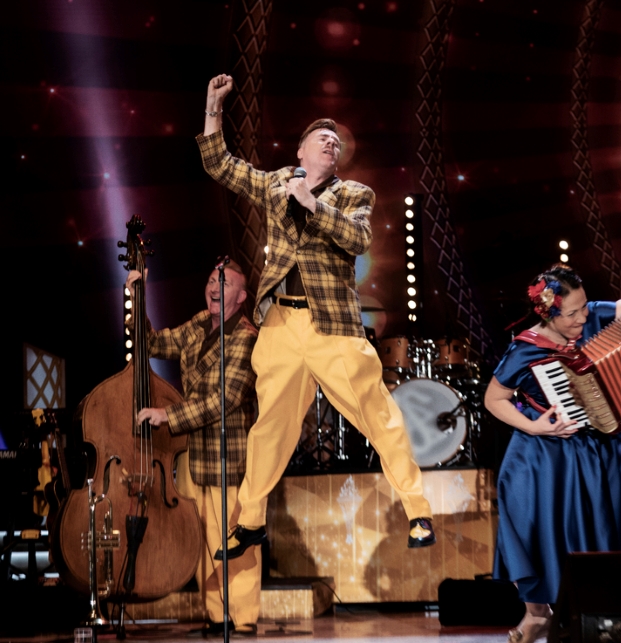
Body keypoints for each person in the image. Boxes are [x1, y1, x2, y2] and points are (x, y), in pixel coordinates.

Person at [195, 74, 435, 560]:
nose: (331, 143)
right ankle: (251, 521)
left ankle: (417, 511)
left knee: (378, 415)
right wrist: (213, 109)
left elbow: (358, 239)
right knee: (270, 428)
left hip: (333, 327)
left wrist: (311, 204)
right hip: (280, 326)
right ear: (300, 151)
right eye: (321, 138)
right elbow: (221, 165)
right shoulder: (276, 183)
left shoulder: (354, 194)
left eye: (335, 141)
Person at [484, 265, 621, 643]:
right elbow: (494, 398)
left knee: (603, 529)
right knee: (531, 522)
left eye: (584, 306)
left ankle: (604, 616)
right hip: (544, 450)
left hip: (598, 449)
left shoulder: (594, 316)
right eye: (572, 312)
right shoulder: (525, 348)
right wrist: (535, 426)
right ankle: (537, 612)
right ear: (549, 313)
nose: (583, 317)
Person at [127, 262, 261, 637]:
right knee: (202, 539)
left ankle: (244, 616)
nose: (215, 286)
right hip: (192, 456)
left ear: (241, 296)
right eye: (212, 279)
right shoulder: (199, 323)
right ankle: (217, 615)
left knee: (234, 538)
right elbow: (152, 343)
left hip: (227, 454)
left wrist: (167, 415)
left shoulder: (247, 337)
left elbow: (225, 399)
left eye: (225, 282)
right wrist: (138, 297)